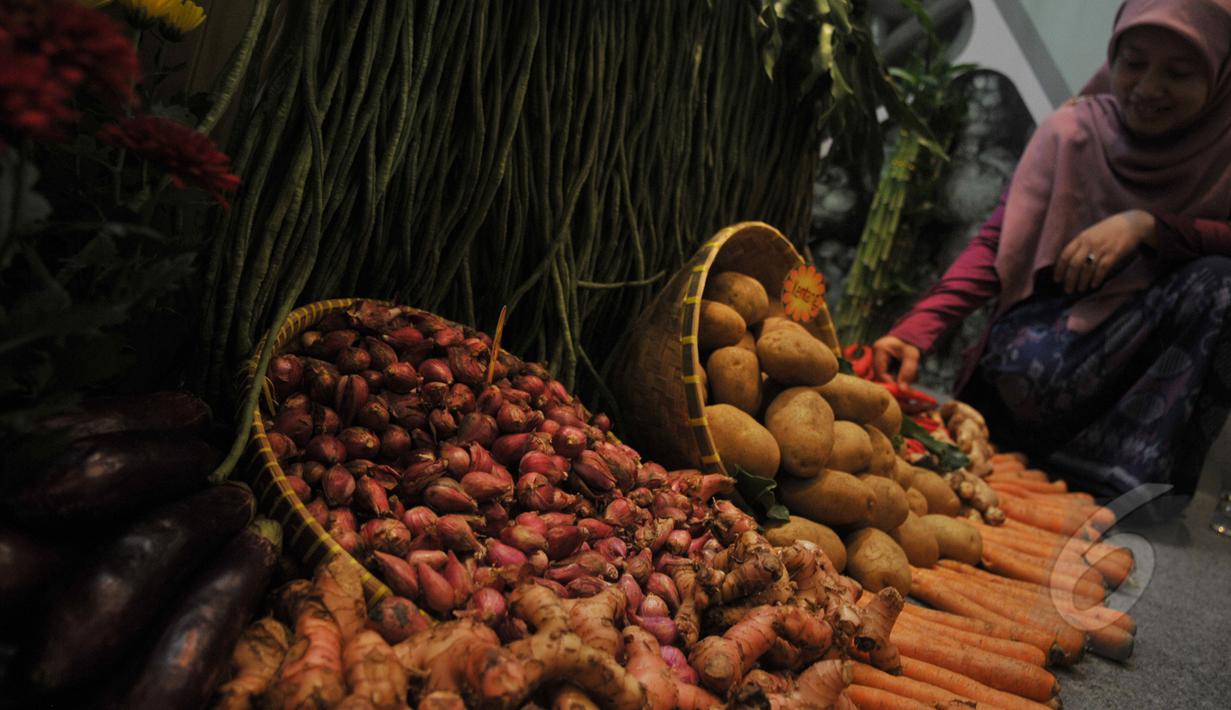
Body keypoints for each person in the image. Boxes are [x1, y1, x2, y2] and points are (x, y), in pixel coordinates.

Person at [871, 0, 1231, 512]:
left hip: (1148, 359)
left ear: (1219, 75)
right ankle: (1028, 459)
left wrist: (1150, 226)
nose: (1149, 88)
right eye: (1133, 63)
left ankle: (1130, 481)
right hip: (1055, 354)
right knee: (1027, 361)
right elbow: (998, 242)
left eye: (1178, 72)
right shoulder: (1073, 133)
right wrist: (915, 332)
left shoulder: (1224, 153)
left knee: (1220, 282)